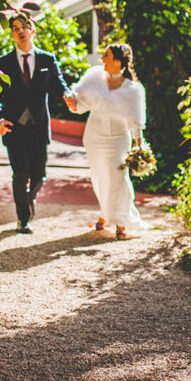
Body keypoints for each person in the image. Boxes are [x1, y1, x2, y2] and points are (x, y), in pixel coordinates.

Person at [0, 11, 72, 234]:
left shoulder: (47, 59)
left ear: (33, 30)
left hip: (38, 127)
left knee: (39, 177)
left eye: (24, 27)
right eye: (15, 29)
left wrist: (67, 95)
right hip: (13, 127)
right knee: (20, 174)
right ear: (12, 35)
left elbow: (59, 84)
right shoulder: (3, 62)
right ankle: (23, 219)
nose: (20, 31)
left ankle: (28, 200)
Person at [66, 43, 147, 240]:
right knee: (100, 176)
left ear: (118, 61)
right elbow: (81, 106)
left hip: (119, 139)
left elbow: (136, 121)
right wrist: (73, 104)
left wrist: (139, 145)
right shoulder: (95, 79)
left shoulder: (134, 89)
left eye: (107, 56)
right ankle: (104, 212)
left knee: (118, 177)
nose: (102, 59)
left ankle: (121, 221)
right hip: (94, 137)